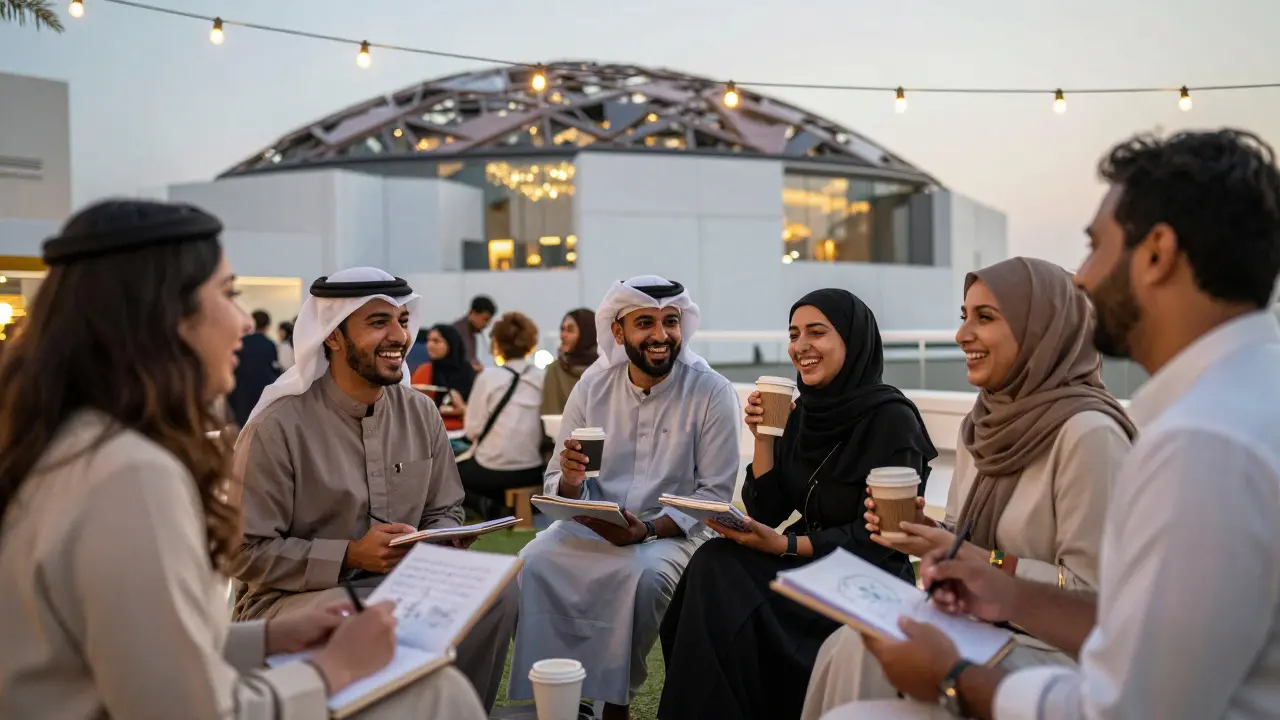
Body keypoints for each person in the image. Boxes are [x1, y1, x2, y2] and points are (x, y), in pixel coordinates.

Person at [823, 130, 1280, 720]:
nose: (1083, 278)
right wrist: (1006, 590)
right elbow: (1146, 625)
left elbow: (1127, 707)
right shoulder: (1242, 400)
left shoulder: (1203, 443)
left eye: (1095, 248)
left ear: (1158, 252)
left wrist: (952, 677)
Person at [0, 199, 485, 719]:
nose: (241, 320)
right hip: (296, 597)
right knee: (441, 697)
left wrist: (270, 640)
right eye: (229, 295)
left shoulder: (73, 444)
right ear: (164, 314)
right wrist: (330, 669)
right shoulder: (130, 473)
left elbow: (135, 653)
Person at [803, 259, 1135, 718]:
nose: (961, 335)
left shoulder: (1087, 435)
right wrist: (928, 531)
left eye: (985, 318)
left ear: (1042, 328)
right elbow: (963, 536)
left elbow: (1096, 599)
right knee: (853, 642)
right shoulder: (982, 424)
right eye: (964, 316)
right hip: (979, 624)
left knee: (865, 659)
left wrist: (979, 561)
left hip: (1060, 656)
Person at [228, 267, 517, 712]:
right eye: (378, 323)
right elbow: (244, 553)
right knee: (368, 619)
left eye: (402, 320)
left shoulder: (420, 412)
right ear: (333, 336)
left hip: (400, 580)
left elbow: (447, 508)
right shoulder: (278, 426)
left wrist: (440, 539)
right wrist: (349, 554)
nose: (399, 335)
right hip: (291, 602)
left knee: (498, 597)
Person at [658, 289, 938, 720]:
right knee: (715, 562)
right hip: (809, 564)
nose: (800, 345)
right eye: (794, 334)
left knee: (725, 581)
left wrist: (786, 547)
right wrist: (766, 437)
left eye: (817, 332)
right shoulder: (806, 412)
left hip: (865, 578)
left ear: (853, 339)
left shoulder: (891, 420)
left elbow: (882, 539)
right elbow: (766, 511)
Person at [509, 276, 742, 720]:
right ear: (618, 333)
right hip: (592, 524)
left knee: (646, 575)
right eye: (645, 323)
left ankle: (615, 701)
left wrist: (649, 529)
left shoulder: (711, 391)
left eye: (670, 322)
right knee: (534, 561)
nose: (660, 335)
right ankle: (560, 695)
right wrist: (574, 482)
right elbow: (557, 478)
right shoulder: (592, 387)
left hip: (673, 532)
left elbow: (713, 494)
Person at [454, 311, 547, 518]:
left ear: (496, 343)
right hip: (532, 470)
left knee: (445, 473)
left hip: (490, 470)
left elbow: (472, 431)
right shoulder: (542, 378)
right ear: (530, 342)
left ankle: (488, 506)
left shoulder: (488, 378)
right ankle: (515, 508)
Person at [411, 323, 476, 431]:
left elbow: (478, 413)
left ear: (451, 344)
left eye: (436, 341)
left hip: (461, 433)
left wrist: (462, 409)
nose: (429, 345)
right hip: (429, 432)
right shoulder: (424, 371)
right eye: (428, 340)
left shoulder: (468, 373)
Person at [226, 309, 281, 425]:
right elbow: (274, 368)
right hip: (263, 391)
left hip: (241, 391)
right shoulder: (270, 344)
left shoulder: (241, 343)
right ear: (267, 325)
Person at [541, 307, 598, 415]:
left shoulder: (605, 370)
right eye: (562, 329)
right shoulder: (555, 370)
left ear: (587, 333)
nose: (563, 335)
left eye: (570, 330)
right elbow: (550, 415)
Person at [453, 295, 497, 372]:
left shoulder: (472, 333)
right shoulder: (457, 332)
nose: (487, 324)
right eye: (485, 319)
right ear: (472, 313)